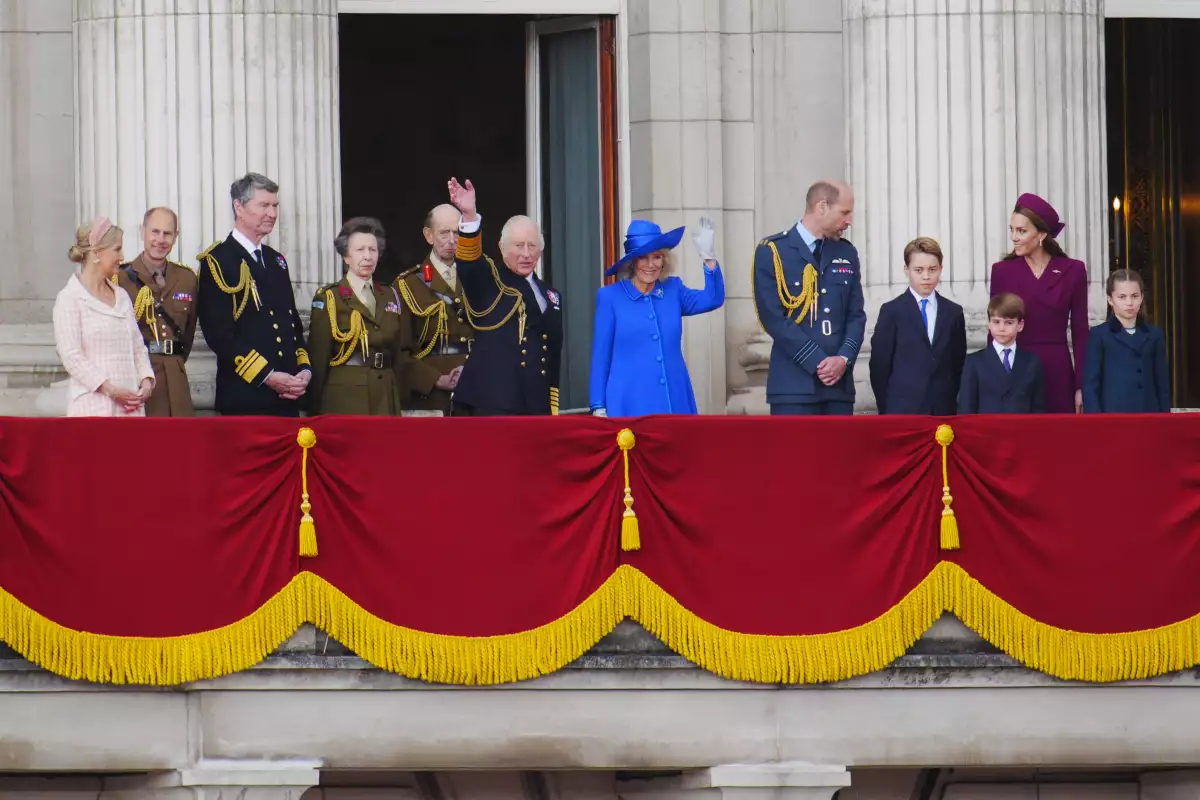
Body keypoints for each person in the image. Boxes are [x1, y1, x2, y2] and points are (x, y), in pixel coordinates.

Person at [446, 177, 563, 416]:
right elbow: (469, 265)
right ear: (502, 247)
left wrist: (551, 403)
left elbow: (551, 353)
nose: (526, 254)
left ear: (541, 250)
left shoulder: (551, 295)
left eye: (532, 246)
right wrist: (469, 217)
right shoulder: (490, 281)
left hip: (535, 404)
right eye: (518, 246)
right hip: (493, 402)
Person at [197, 173, 311, 416]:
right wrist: (267, 376)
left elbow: (293, 328)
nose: (272, 213)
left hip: (287, 399)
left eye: (275, 206)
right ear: (239, 207)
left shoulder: (276, 260)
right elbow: (220, 335)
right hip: (245, 398)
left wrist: (304, 370)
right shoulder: (218, 261)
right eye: (264, 205)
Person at [588, 217, 725, 417]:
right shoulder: (610, 297)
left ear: (664, 260)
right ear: (632, 263)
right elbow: (601, 355)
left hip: (673, 400)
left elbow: (712, 299)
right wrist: (598, 404)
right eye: (643, 257)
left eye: (657, 257)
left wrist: (709, 258)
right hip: (628, 403)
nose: (650, 265)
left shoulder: (673, 290)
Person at [752, 179, 866, 415]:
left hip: (839, 387)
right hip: (793, 387)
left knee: (840, 453)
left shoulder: (846, 252)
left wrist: (843, 359)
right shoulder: (773, 251)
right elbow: (773, 317)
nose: (849, 221)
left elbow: (856, 315)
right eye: (844, 212)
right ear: (822, 206)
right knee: (795, 453)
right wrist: (817, 361)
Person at [989, 193, 1089, 414]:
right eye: (1012, 230)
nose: (1014, 237)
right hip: (1015, 370)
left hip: (1058, 370)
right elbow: (994, 331)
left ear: (1042, 234)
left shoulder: (1073, 270)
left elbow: (1081, 331)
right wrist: (991, 381)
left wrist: (1081, 385)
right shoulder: (1002, 271)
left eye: (1021, 231)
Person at [307, 217, 416, 416]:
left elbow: (400, 352)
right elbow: (319, 357)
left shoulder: (390, 295)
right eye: (360, 250)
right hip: (345, 397)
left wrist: (401, 397)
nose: (368, 257)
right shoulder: (331, 297)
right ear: (345, 256)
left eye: (373, 250)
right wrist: (313, 408)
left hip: (385, 394)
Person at [53, 217, 155, 417]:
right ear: (97, 252)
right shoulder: (70, 298)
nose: (122, 256)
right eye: (117, 249)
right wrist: (111, 390)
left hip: (130, 409)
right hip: (93, 409)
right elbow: (72, 357)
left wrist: (146, 381)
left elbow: (137, 347)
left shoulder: (122, 296)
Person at [115, 207, 198, 416]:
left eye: (167, 233)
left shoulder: (187, 279)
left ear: (176, 236)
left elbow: (187, 336)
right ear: (143, 231)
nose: (160, 240)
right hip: (138, 381)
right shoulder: (120, 279)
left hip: (176, 380)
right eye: (155, 232)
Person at [869, 237, 966, 415]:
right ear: (906, 270)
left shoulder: (953, 313)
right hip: (902, 410)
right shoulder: (892, 311)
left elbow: (957, 364)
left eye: (932, 269)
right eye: (918, 270)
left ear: (941, 269)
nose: (926, 277)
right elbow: (879, 367)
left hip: (943, 411)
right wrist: (887, 408)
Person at [393, 203, 474, 414]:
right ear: (429, 236)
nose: (452, 240)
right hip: (431, 395)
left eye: (457, 232)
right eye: (444, 233)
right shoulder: (407, 284)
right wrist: (435, 379)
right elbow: (398, 350)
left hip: (475, 387)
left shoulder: (477, 279)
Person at [1082, 269, 1170, 413]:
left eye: (1134, 296)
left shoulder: (1154, 335)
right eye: (1122, 297)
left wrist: (1165, 418)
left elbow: (1162, 384)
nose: (1129, 303)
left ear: (1142, 297)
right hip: (1113, 416)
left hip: (1149, 414)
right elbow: (1091, 386)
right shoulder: (1099, 335)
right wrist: (1095, 423)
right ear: (1110, 299)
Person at [959, 293, 1046, 414]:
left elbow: (1038, 408)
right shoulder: (974, 362)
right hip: (986, 431)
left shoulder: (1032, 362)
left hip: (1022, 430)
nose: (1001, 328)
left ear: (1020, 325)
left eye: (1008, 323)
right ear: (989, 324)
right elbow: (966, 408)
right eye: (996, 322)